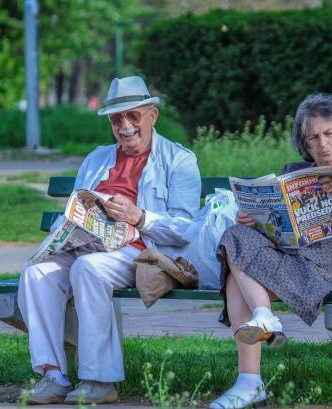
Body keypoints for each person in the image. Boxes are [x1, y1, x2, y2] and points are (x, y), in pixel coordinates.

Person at [18, 76, 201, 405]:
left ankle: (99, 380)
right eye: (117, 118)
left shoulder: (179, 160)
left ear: (152, 116)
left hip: (141, 251)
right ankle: (53, 375)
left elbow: (187, 228)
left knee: (89, 269)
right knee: (36, 272)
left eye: (133, 116)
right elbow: (75, 208)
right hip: (89, 247)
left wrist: (139, 217)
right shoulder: (96, 158)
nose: (125, 125)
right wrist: (66, 232)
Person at [210, 93, 332, 409]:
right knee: (235, 235)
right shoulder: (294, 171)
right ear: (305, 145)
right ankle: (263, 323)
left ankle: (249, 381)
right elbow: (275, 226)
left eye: (328, 134)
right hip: (289, 258)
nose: (323, 144)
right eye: (313, 138)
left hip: (328, 271)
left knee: (236, 279)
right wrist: (253, 220)